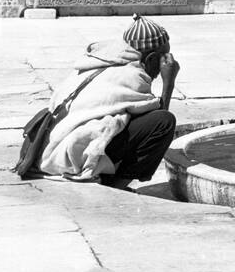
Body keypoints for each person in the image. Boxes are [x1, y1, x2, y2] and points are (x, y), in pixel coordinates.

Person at [38, 16, 180, 188]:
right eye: (164, 58)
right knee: (163, 122)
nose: (168, 63)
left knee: (130, 121)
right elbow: (158, 114)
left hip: (48, 150)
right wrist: (169, 83)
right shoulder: (132, 76)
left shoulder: (98, 61)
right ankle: (117, 186)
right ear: (150, 59)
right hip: (68, 157)